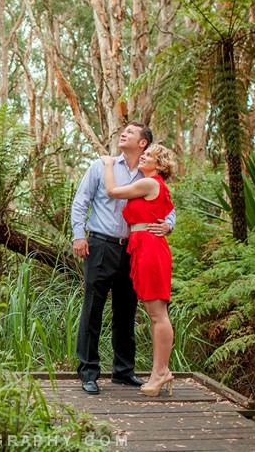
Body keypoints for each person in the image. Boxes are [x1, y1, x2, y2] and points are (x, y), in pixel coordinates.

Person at [71, 122, 175, 395]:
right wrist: (78, 236)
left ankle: (124, 371)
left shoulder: (146, 173)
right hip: (100, 244)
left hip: (133, 249)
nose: (124, 133)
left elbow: (168, 207)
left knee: (126, 310)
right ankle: (89, 372)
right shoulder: (102, 165)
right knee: (93, 308)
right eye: (124, 130)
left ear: (143, 143)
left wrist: (168, 225)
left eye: (131, 132)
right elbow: (81, 201)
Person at [101, 144, 177, 397]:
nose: (143, 157)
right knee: (154, 313)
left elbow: (112, 191)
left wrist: (109, 164)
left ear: (159, 164)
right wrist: (167, 225)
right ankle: (159, 371)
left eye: (148, 155)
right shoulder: (151, 184)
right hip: (142, 246)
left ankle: (161, 372)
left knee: (157, 313)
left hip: (150, 248)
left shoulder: (150, 183)